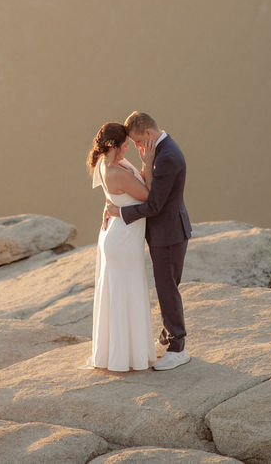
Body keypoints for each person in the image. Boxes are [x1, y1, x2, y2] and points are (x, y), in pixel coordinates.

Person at [105, 111, 191, 371]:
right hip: (166, 232)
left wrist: (119, 213)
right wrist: (146, 162)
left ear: (149, 135)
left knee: (167, 289)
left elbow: (153, 205)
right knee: (167, 284)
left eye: (139, 142)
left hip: (168, 234)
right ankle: (168, 336)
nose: (138, 148)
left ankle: (178, 348)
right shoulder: (161, 151)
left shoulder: (166, 157)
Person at [88, 121, 157, 371]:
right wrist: (148, 162)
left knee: (122, 295)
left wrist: (112, 208)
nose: (129, 148)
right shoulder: (115, 171)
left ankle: (122, 354)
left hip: (120, 236)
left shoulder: (109, 164)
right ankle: (124, 357)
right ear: (115, 145)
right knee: (125, 296)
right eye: (126, 144)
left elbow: (115, 198)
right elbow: (149, 196)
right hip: (123, 241)